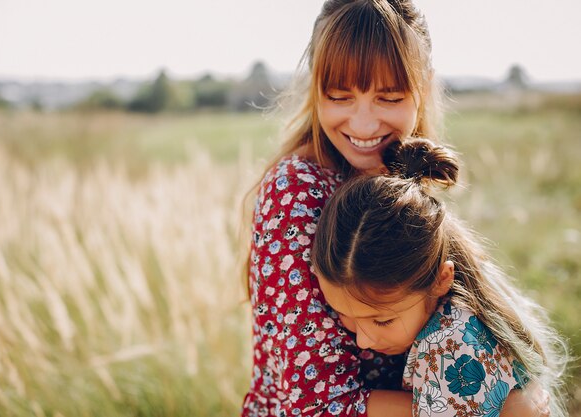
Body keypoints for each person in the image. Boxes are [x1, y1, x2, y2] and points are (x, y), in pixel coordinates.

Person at [241, 1, 553, 416]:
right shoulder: (294, 195)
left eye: (389, 97)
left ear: (423, 87)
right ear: (315, 89)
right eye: (339, 96)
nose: (365, 125)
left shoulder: (401, 171)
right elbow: (316, 405)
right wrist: (500, 408)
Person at [310, 138, 567, 417]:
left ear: (440, 279)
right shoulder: (464, 303)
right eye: (343, 314)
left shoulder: (448, 350)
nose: (363, 341)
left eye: (382, 320)